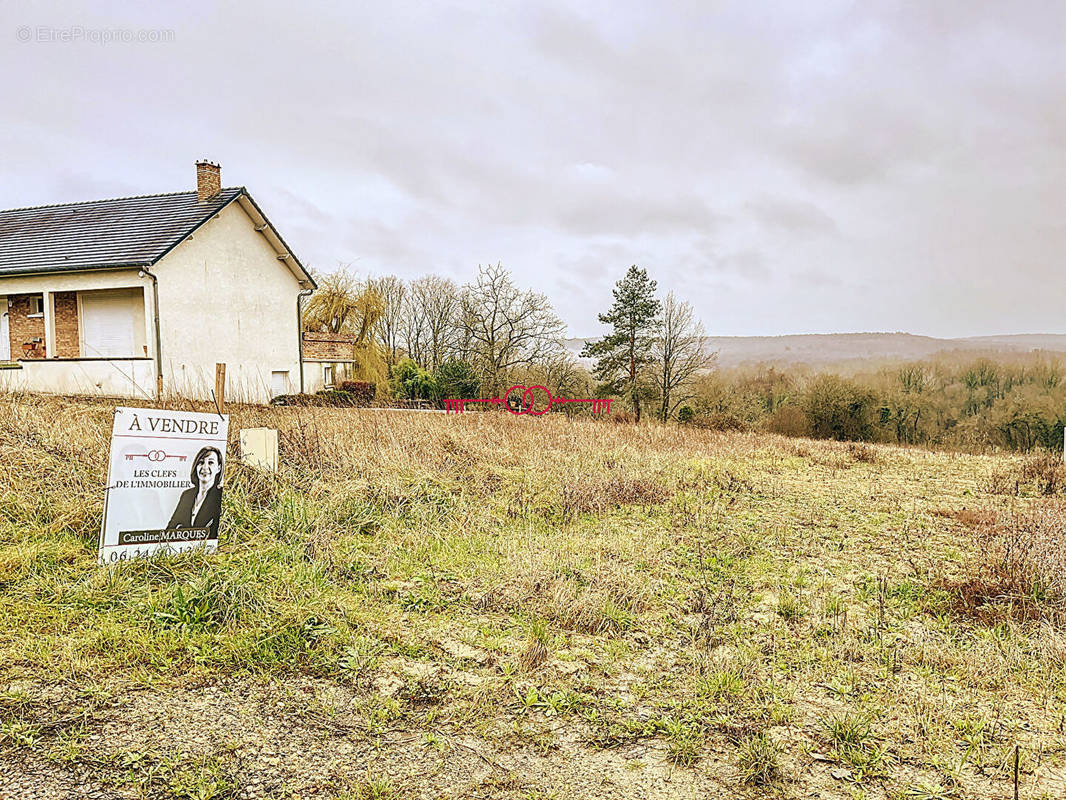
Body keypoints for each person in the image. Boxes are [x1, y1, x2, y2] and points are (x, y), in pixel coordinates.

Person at [166, 446, 224, 538]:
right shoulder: (187, 495)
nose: (205, 467)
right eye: (201, 462)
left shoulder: (220, 495)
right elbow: (170, 528)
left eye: (211, 463)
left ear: (219, 468)